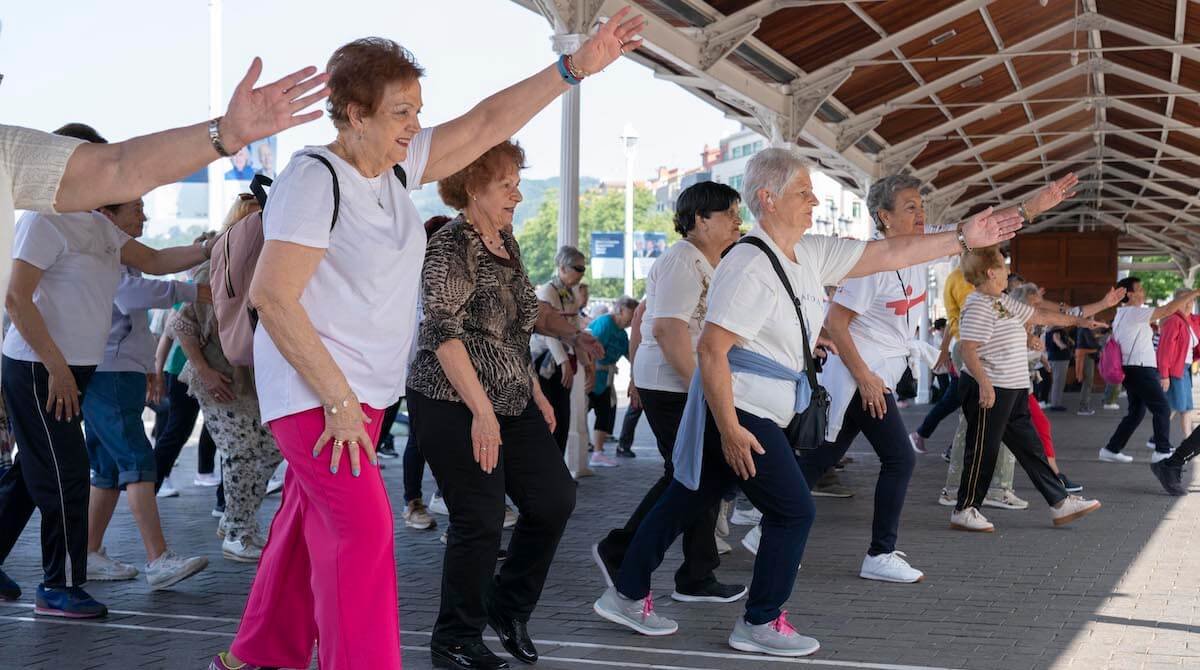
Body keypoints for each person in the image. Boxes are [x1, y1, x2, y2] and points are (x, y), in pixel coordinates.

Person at [215, 15, 643, 670]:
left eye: (417, 108)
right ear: (354, 114)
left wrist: (573, 68)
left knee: (306, 531)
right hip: (319, 400)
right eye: (400, 111)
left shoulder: (390, 170)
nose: (414, 123)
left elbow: (484, 122)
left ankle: (254, 656)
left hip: (362, 397)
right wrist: (336, 400)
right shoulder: (313, 178)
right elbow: (272, 297)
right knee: (363, 537)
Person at [594, 148, 1031, 656]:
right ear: (768, 199)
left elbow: (889, 254)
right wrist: (732, 428)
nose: (815, 199)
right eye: (803, 191)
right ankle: (759, 622)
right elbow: (712, 350)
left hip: (766, 407)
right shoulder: (749, 263)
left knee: (688, 495)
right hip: (745, 408)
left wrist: (963, 238)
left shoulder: (809, 251)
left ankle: (626, 592)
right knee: (793, 512)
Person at [0, 123, 216, 617]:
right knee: (67, 477)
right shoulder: (44, 220)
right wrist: (56, 369)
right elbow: (16, 298)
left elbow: (158, 260)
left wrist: (210, 247)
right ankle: (58, 586)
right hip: (39, 369)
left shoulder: (99, 226)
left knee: (29, 476)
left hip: (70, 370)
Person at [408, 139, 577, 669]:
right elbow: (443, 331)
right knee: (479, 518)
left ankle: (508, 606)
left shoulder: (506, 240)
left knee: (553, 499)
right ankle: (454, 639)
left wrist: (532, 384)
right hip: (450, 398)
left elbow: (512, 325)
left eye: (517, 183)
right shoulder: (451, 245)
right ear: (473, 186)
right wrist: (481, 411)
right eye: (508, 185)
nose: (518, 195)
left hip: (507, 395)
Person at [1, 59, 327, 291]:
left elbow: (121, 170)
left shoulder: (8, 152)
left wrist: (228, 133)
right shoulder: (42, 222)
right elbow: (17, 298)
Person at [595, 181, 747, 603]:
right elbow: (665, 328)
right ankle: (626, 551)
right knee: (693, 476)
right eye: (729, 213)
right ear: (700, 219)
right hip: (673, 384)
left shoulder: (708, 261)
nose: (738, 221)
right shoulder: (684, 259)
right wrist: (706, 390)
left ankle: (695, 573)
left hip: (681, 383)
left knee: (697, 475)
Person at [797, 173, 936, 584]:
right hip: (860, 373)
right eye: (910, 207)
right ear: (884, 216)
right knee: (900, 458)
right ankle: (880, 553)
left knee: (821, 456)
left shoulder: (916, 254)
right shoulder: (868, 264)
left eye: (922, 205)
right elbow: (836, 322)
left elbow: (969, 236)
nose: (921, 214)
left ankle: (768, 520)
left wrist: (1027, 209)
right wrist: (867, 378)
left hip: (877, 372)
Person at [81, 196, 212, 589]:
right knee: (138, 461)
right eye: (135, 209)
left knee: (106, 468)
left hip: (116, 371)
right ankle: (158, 559)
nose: (145, 215)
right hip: (110, 373)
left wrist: (147, 369)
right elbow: (131, 293)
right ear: (107, 215)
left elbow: (152, 266)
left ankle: (87, 554)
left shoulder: (108, 249)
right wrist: (195, 291)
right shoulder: (101, 253)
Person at [949, 247, 1104, 533]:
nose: (1009, 272)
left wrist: (1080, 319)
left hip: (1013, 387)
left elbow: (1040, 315)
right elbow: (967, 349)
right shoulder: (978, 304)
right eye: (1004, 267)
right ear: (991, 272)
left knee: (1031, 449)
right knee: (983, 449)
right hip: (991, 387)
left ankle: (1060, 502)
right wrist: (984, 384)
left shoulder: (1003, 302)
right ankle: (965, 508)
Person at [170, 194, 284, 562]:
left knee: (269, 450)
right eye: (250, 222)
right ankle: (237, 530)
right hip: (217, 376)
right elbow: (182, 323)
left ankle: (239, 522)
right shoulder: (216, 268)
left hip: (253, 379)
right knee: (241, 452)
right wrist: (204, 371)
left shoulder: (275, 267)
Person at [1100, 277, 1200, 465]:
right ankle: (1162, 451)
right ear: (1129, 294)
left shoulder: (1123, 313)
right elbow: (1168, 309)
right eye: (1140, 289)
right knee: (1161, 407)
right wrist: (1193, 293)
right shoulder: (1133, 312)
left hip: (1134, 368)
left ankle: (1111, 449)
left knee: (1136, 412)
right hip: (1140, 369)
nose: (1143, 293)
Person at [531, 245, 588, 452]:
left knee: (563, 417)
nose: (582, 273)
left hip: (564, 359)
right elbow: (549, 332)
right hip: (545, 363)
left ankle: (558, 471)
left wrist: (584, 360)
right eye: (578, 268)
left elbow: (572, 329)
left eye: (584, 269)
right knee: (551, 416)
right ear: (562, 268)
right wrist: (563, 362)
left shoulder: (570, 293)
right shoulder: (548, 291)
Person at [586, 296, 638, 468]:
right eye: (632, 314)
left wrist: (635, 378)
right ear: (621, 310)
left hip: (605, 379)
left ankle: (598, 453)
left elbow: (631, 356)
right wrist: (591, 374)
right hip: (589, 376)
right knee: (578, 414)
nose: (633, 319)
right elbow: (590, 350)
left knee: (604, 413)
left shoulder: (622, 335)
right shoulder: (604, 324)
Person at [1156, 288, 1200, 440]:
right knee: (1174, 406)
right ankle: (1156, 438)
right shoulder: (1173, 320)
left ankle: (1188, 439)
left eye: (1190, 300)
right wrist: (1164, 375)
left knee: (1187, 407)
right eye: (1184, 300)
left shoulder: (1193, 320)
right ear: (1176, 302)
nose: (1188, 304)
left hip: (1186, 369)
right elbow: (1164, 350)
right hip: (1175, 370)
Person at [1075, 322, 1102, 415]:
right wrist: (1100, 346)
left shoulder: (1082, 329)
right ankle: (1083, 407)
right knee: (1087, 382)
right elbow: (1091, 344)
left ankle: (1084, 406)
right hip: (1086, 356)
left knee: (1087, 381)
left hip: (1085, 355)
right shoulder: (1085, 329)